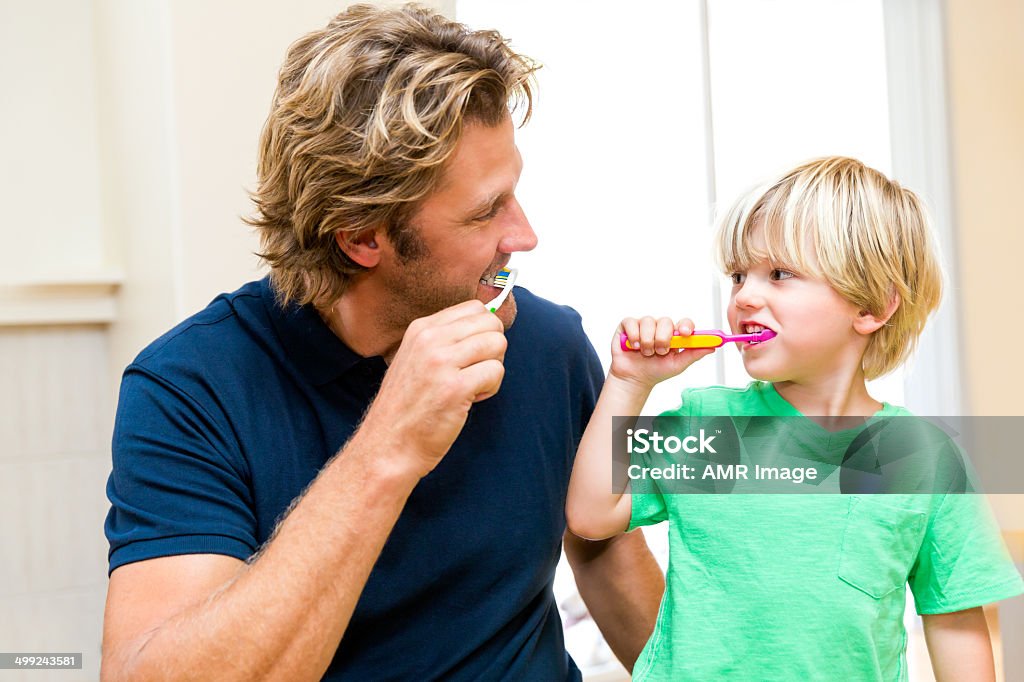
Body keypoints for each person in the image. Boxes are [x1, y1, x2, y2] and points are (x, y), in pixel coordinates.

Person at [101, 5, 664, 680]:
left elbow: (609, 548)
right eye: (487, 210)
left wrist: (821, 440)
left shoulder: (548, 344)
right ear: (363, 238)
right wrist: (387, 447)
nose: (524, 235)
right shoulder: (191, 387)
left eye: (513, 195)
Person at [566, 156, 1024, 680]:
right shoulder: (710, 425)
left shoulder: (923, 459)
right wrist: (630, 383)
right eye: (738, 275)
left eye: (780, 274)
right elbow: (590, 516)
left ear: (872, 306)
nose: (745, 295)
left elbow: (956, 624)